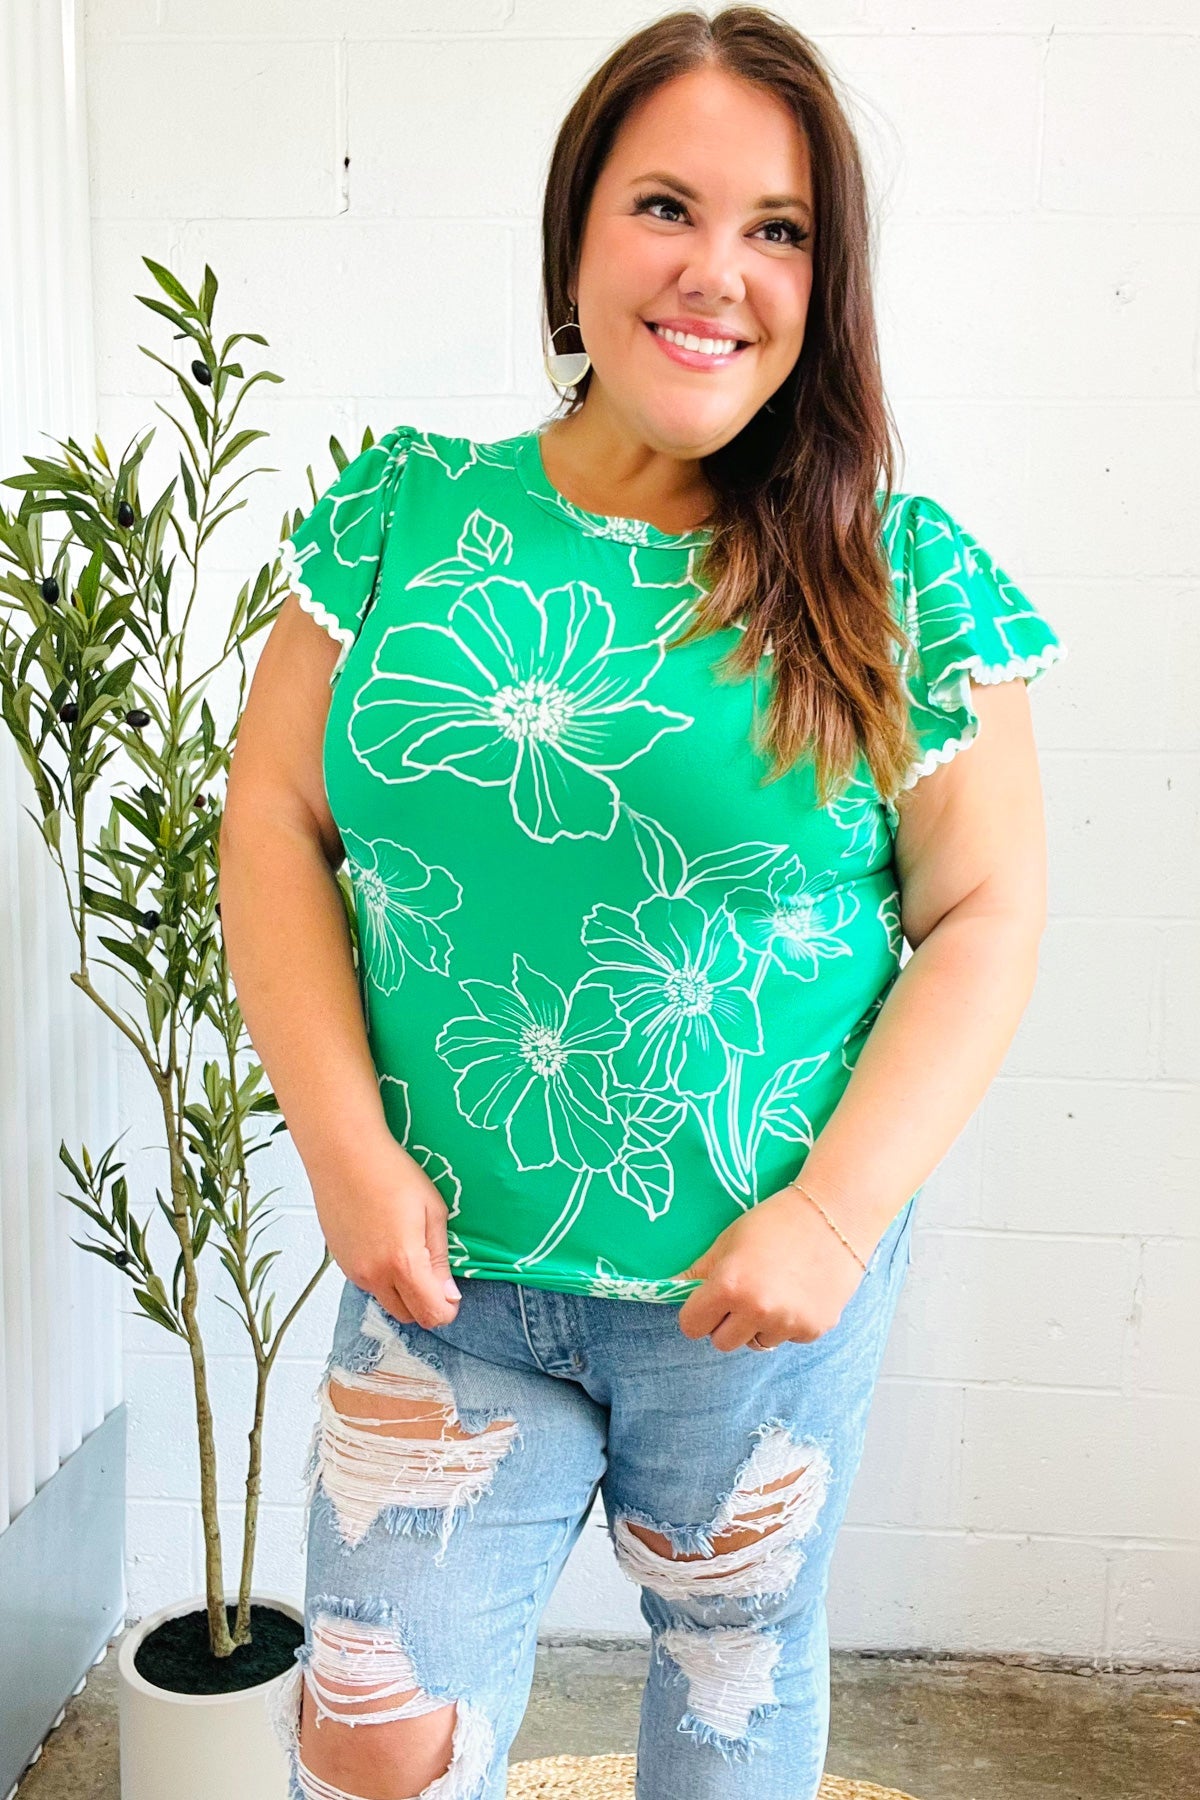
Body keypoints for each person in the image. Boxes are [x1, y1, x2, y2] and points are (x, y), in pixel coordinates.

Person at [220, 9, 1068, 1799]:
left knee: (727, 1703)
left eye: (780, 229)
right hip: (441, 1279)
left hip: (749, 1304)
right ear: (576, 239)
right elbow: (276, 823)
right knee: (373, 1736)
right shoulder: (401, 519)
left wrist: (832, 1218)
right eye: (664, 205)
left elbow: (986, 914)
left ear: (825, 284)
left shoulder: (901, 582)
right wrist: (343, 1151)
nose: (715, 270)